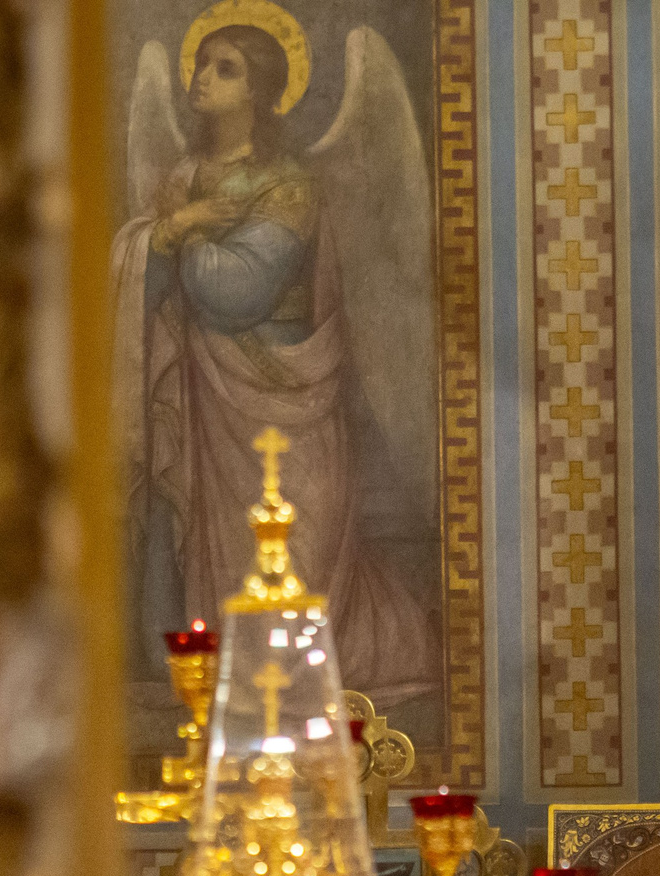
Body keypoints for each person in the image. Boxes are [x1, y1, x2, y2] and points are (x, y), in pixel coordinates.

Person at [114, 21, 438, 704]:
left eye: (224, 68)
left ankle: (303, 692)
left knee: (301, 539)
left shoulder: (290, 186)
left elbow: (233, 290)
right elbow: (153, 278)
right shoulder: (184, 177)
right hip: (207, 399)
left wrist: (181, 233)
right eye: (201, 63)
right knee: (213, 538)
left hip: (292, 391)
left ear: (260, 89)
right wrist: (164, 236)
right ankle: (225, 689)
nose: (202, 78)